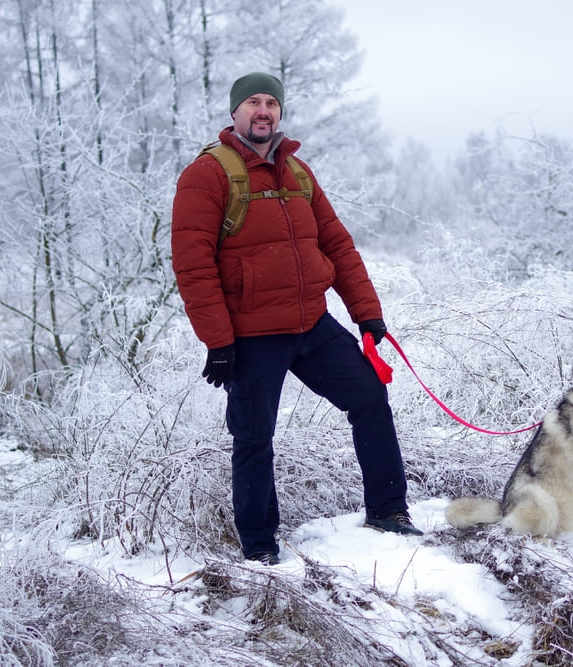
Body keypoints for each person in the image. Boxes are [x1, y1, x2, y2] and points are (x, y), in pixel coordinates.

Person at [171, 72, 422, 565]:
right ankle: (260, 547)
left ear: (280, 113)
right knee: (253, 438)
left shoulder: (298, 173)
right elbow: (193, 265)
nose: (262, 111)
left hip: (312, 325)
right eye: (252, 103)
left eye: (271, 103)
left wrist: (367, 315)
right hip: (252, 335)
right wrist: (218, 341)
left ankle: (388, 511)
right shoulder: (207, 175)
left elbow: (337, 246)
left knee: (370, 396)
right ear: (235, 113)